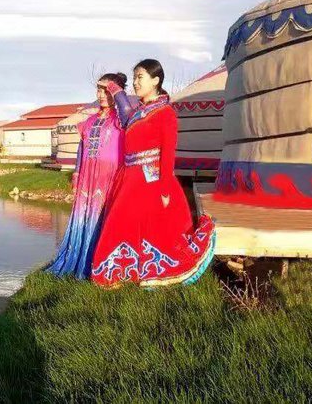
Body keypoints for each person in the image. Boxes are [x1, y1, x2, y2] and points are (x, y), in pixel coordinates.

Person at [90, 59, 216, 288]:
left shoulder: (165, 113)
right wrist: (114, 88)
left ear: (155, 80)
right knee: (121, 225)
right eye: (134, 77)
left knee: (152, 230)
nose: (135, 82)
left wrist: (165, 189)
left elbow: (168, 153)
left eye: (140, 77)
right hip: (129, 178)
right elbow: (124, 113)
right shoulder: (138, 112)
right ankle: (120, 272)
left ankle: (149, 271)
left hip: (152, 180)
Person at [46, 72, 136, 279]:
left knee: (104, 217)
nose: (102, 95)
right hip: (88, 176)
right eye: (99, 90)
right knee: (85, 216)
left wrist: (115, 89)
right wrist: (77, 173)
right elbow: (81, 148)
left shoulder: (122, 118)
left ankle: (102, 263)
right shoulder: (89, 121)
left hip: (109, 176)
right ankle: (80, 259)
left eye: (108, 90)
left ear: (117, 91)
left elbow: (125, 108)